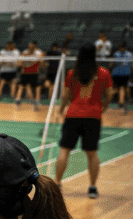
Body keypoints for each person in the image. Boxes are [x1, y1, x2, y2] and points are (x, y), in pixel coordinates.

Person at [55, 45, 113, 198]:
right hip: (93, 117)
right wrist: (103, 108)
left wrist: (61, 110)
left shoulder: (72, 73)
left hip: (73, 115)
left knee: (64, 151)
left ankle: (56, 183)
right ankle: (92, 187)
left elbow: (65, 95)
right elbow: (110, 94)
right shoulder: (103, 73)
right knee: (92, 154)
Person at [15, 40, 44, 109]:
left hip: (34, 73)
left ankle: (37, 101)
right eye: (29, 46)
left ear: (35, 46)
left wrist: (35, 65)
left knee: (38, 87)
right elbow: (19, 62)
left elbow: (41, 62)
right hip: (25, 73)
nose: (29, 47)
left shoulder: (39, 53)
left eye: (31, 46)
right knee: (21, 86)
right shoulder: (25, 52)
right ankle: (18, 100)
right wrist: (24, 64)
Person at [111, 41, 131, 113]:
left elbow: (127, 64)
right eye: (120, 47)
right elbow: (112, 63)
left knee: (122, 87)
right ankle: (121, 102)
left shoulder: (129, 54)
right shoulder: (116, 54)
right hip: (116, 73)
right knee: (117, 88)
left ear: (124, 47)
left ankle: (121, 102)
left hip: (125, 74)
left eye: (122, 47)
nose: (121, 48)